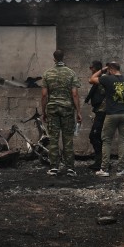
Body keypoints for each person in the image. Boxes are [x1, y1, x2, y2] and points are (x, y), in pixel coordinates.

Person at [91, 61, 124, 177]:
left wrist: (102, 70)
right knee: (123, 141)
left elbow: (92, 79)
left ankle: (104, 169)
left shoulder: (107, 79)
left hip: (111, 115)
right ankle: (121, 169)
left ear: (110, 69)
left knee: (106, 140)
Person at [40, 49, 82, 177]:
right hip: (67, 110)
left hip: (52, 109)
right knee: (68, 139)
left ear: (54, 58)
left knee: (53, 138)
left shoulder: (47, 74)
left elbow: (44, 95)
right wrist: (78, 112)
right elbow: (74, 94)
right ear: (64, 58)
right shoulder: (71, 73)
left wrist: (44, 111)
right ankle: (70, 168)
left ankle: (54, 168)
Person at [84, 60, 106, 171]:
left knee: (94, 136)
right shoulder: (101, 80)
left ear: (95, 68)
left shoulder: (102, 80)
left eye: (91, 67)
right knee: (97, 137)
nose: (90, 69)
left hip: (102, 112)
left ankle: (101, 162)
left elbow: (91, 81)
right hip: (100, 111)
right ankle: (101, 161)